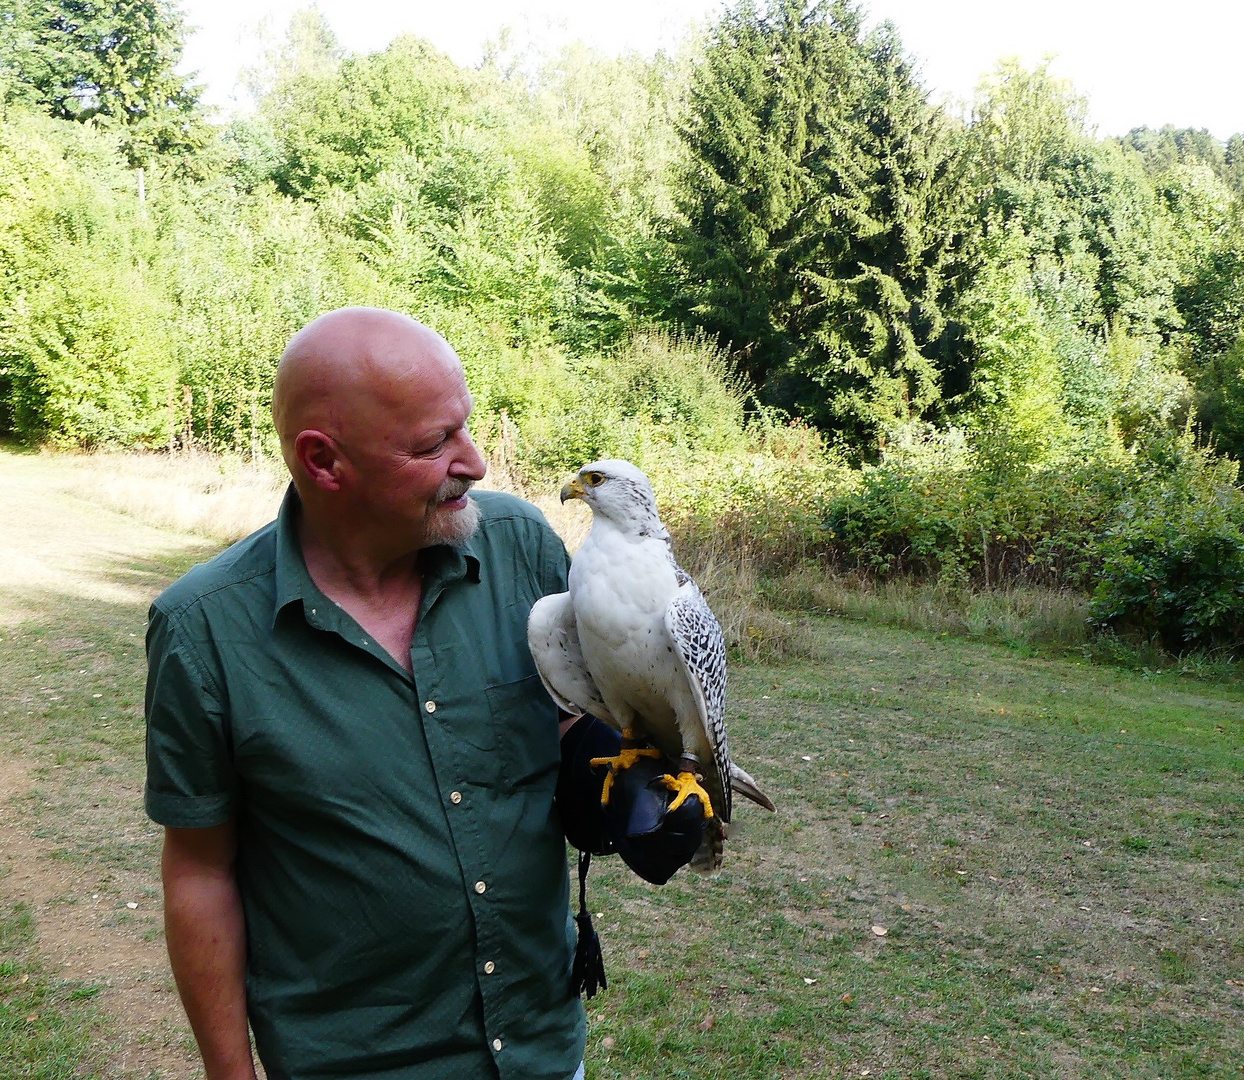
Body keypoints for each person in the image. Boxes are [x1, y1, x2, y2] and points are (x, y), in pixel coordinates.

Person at [143, 307, 701, 1080]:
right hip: (357, 1062)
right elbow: (200, 872)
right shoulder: (204, 630)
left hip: (541, 1050)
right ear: (323, 462)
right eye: (434, 443)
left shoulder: (520, 547)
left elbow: (567, 714)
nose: (474, 462)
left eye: (465, 427)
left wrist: (613, 778)